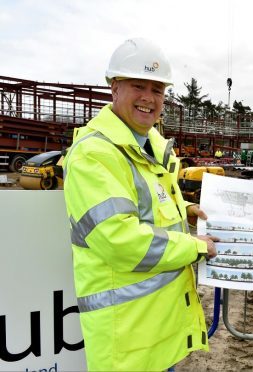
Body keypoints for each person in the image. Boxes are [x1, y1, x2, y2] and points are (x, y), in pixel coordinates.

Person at [62, 38, 218, 371]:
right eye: (138, 86)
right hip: (127, 338)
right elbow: (118, 239)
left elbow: (149, 207)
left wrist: (184, 212)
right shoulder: (95, 154)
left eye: (158, 89)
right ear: (114, 88)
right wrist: (194, 246)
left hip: (157, 329)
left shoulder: (150, 147)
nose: (149, 97)